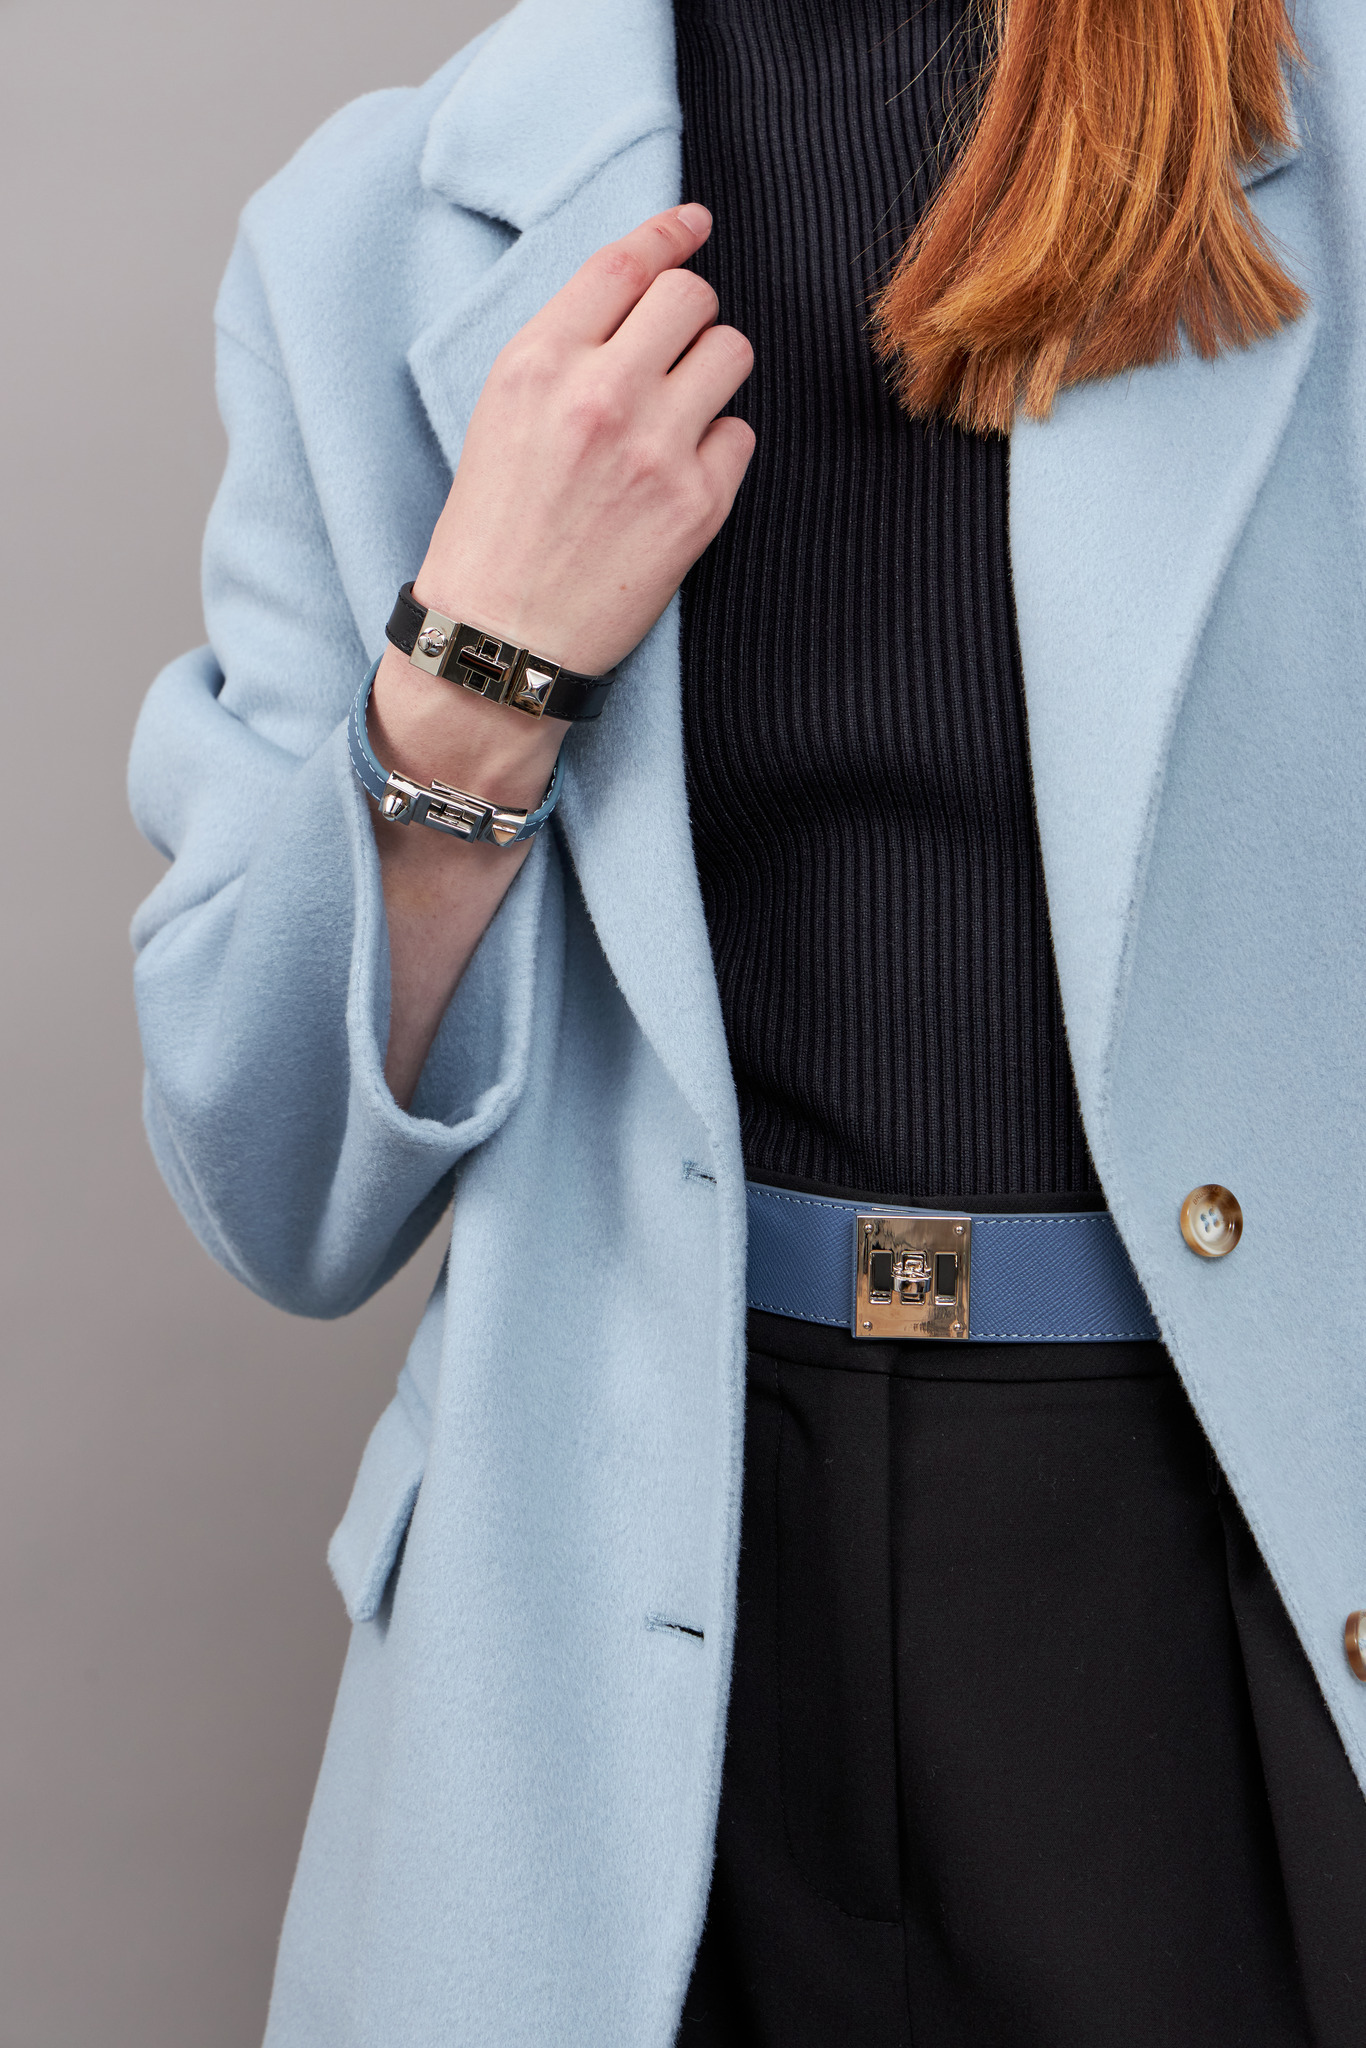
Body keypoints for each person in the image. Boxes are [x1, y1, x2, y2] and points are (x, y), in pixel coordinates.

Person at [128, 0, 1366, 2041]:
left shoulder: (1311, 119)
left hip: (1220, 1562)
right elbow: (277, 1189)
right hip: (639, 1614)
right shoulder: (382, 230)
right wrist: (474, 674)